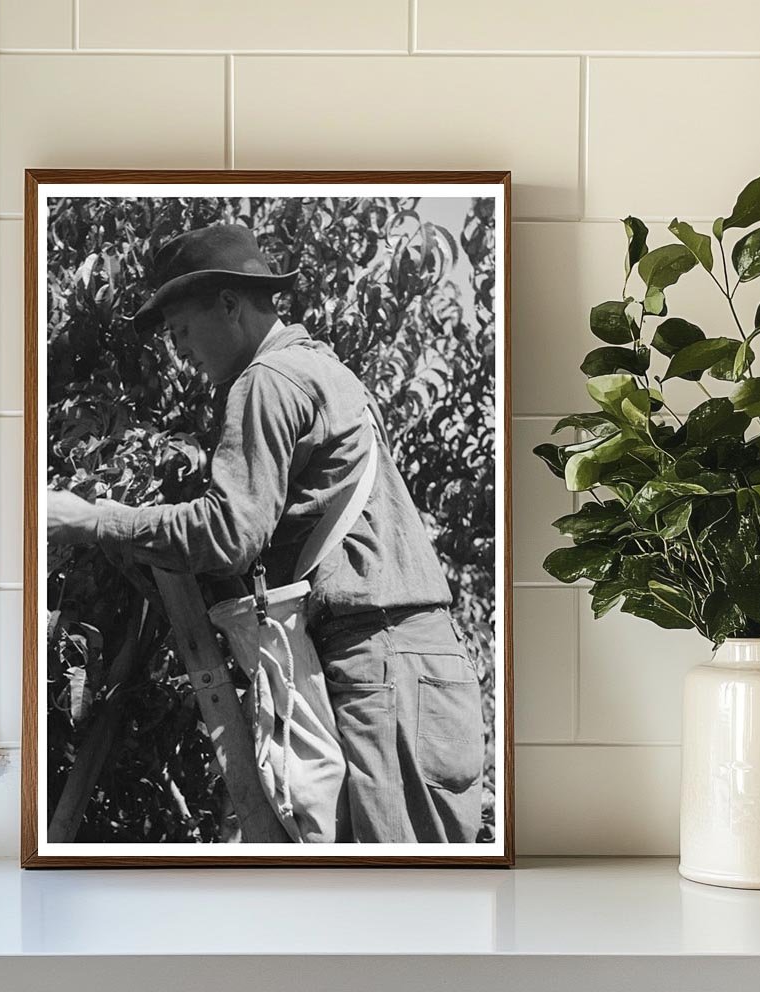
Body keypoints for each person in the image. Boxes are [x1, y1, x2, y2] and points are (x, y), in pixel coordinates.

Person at [46, 221, 485, 843]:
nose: (179, 351)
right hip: (415, 662)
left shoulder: (267, 382)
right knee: (424, 898)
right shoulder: (325, 370)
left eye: (182, 330)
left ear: (228, 304)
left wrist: (90, 519)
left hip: (380, 661)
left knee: (399, 901)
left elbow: (228, 532)